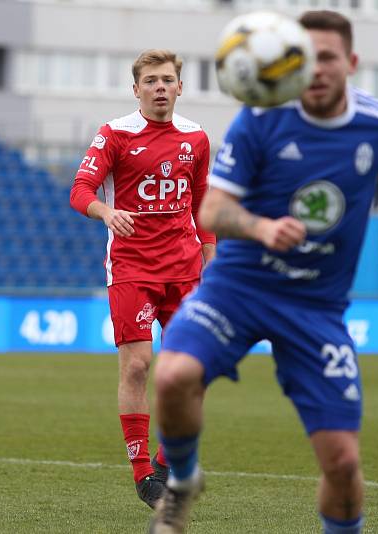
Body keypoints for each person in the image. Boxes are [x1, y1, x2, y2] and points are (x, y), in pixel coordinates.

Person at [148, 11, 378, 534]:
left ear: (351, 63)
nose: (315, 69)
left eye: (328, 57)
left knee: (343, 464)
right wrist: (262, 228)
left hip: (315, 308)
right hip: (238, 288)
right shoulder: (262, 116)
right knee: (173, 375)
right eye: (304, 57)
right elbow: (212, 212)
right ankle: (182, 481)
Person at [70, 49, 216, 509]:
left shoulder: (196, 137)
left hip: (185, 265)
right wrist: (107, 212)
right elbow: (80, 191)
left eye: (166, 80)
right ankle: (143, 475)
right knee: (137, 365)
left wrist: (210, 249)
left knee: (190, 371)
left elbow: (201, 198)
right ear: (136, 90)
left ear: (179, 87)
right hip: (132, 266)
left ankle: (168, 458)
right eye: (149, 80)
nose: (159, 87)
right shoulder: (115, 134)